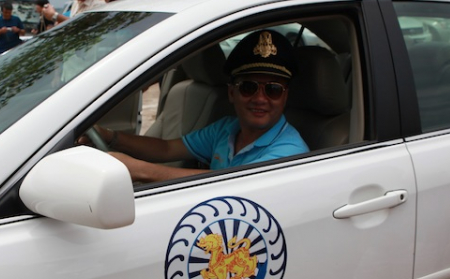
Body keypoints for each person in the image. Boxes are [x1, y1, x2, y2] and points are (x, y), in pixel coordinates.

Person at [90, 29, 309, 182]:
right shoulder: (227, 129)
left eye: (273, 89)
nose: (260, 99)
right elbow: (167, 148)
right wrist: (110, 137)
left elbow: (231, 184)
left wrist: (141, 171)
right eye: (249, 87)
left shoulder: (291, 152)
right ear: (232, 93)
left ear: (285, 97)